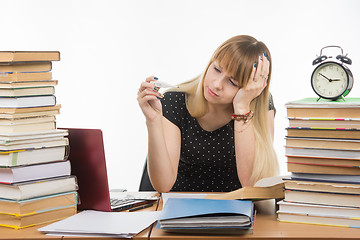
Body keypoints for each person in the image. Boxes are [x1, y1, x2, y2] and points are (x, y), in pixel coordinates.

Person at [137, 35, 279, 193]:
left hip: (233, 213)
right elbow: (163, 186)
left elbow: (252, 185)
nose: (217, 84)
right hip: (178, 209)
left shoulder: (261, 106)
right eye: (217, 69)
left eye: (232, 82)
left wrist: (242, 107)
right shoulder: (174, 102)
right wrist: (153, 121)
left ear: (252, 88)